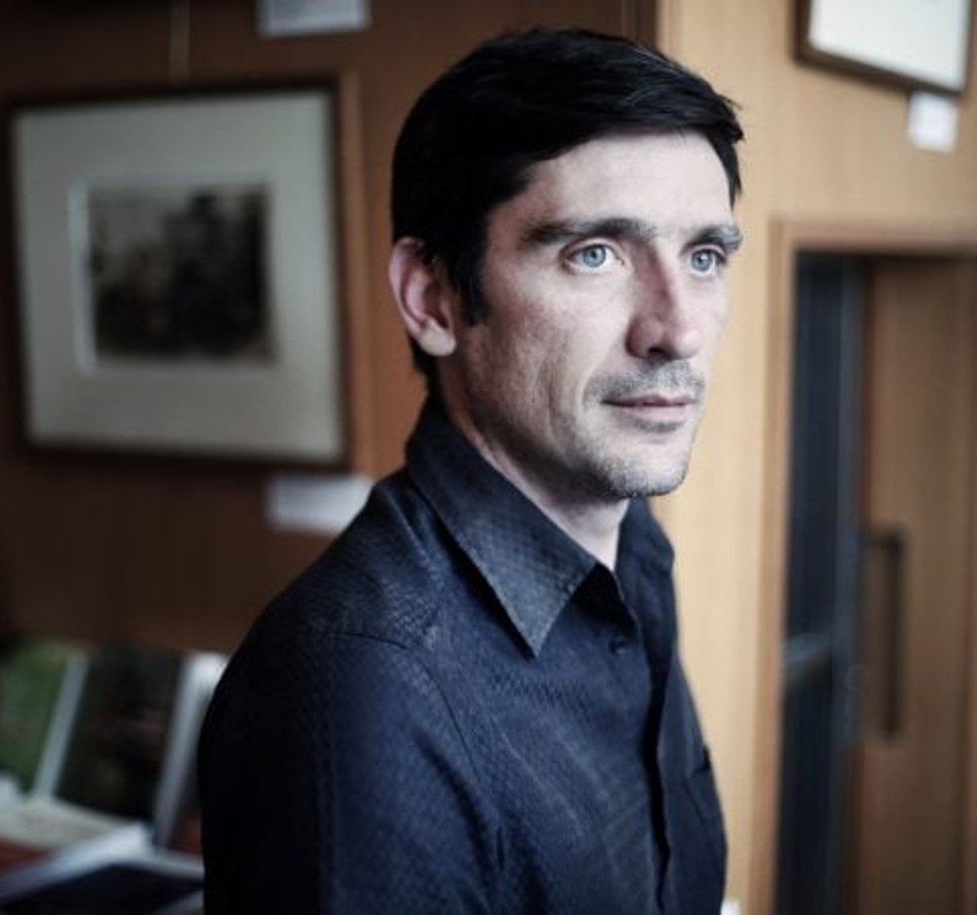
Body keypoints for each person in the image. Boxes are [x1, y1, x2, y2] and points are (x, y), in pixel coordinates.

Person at [199, 27, 744, 914]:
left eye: (703, 256)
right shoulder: (359, 687)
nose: (676, 329)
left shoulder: (630, 549)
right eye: (594, 253)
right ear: (434, 297)